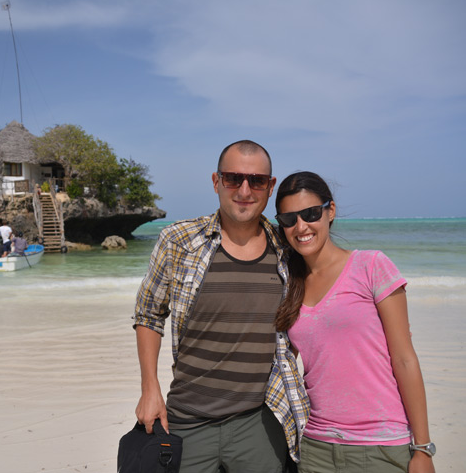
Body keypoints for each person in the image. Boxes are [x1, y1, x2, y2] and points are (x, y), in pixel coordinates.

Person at [133, 140, 309, 473]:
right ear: (216, 182)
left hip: (259, 423)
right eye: (233, 179)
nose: (245, 190)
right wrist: (149, 388)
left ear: (270, 187)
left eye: (256, 180)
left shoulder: (287, 250)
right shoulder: (179, 241)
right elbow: (149, 315)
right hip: (187, 419)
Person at [274, 171, 435, 473]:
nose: (301, 226)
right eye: (289, 219)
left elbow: (404, 359)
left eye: (310, 214)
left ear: (330, 211)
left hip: (382, 447)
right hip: (315, 448)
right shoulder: (289, 285)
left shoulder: (371, 266)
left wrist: (423, 448)